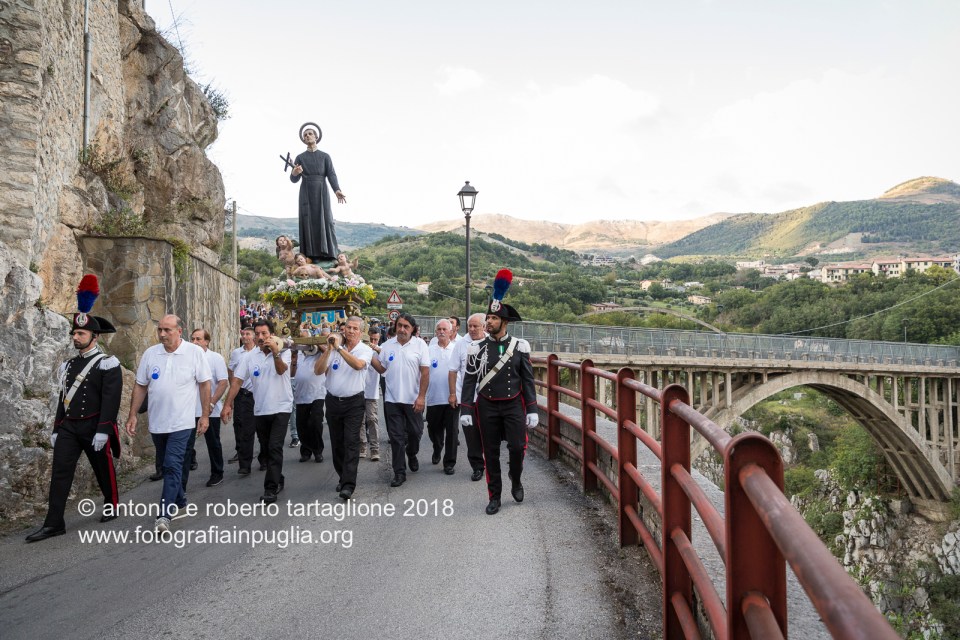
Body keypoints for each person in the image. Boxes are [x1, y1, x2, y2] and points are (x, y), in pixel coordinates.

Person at [26, 277, 123, 542]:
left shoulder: (107, 363)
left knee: (102, 468)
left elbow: (111, 400)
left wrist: (104, 430)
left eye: (80, 334)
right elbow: (63, 399)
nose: (75, 337)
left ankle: (112, 503)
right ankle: (54, 523)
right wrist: (57, 427)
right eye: (74, 333)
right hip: (70, 426)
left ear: (94, 336)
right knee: (60, 472)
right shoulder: (68, 365)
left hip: (94, 425)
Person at [460, 270, 538, 515]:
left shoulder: (519, 347)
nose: (489, 322)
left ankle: (516, 478)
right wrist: (466, 409)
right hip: (487, 405)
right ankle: (494, 496)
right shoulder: (476, 349)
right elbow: (470, 380)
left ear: (504, 322)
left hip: (514, 404)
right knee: (490, 453)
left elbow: (527, 380)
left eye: (493, 318)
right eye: (488, 318)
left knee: (517, 447)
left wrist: (532, 409)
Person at [126, 315, 211, 534]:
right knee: (167, 465)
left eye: (167, 330)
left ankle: (164, 515)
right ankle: (180, 500)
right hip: (157, 423)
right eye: (160, 330)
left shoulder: (194, 352)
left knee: (173, 464)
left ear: (179, 331)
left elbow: (204, 385)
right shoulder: (150, 354)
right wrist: (133, 414)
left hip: (182, 423)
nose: (162, 334)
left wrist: (204, 416)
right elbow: (141, 385)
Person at [222, 319, 293, 504]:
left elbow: (282, 370)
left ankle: (270, 489)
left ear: (272, 334)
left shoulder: (284, 351)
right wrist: (227, 404)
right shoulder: (250, 357)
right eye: (258, 334)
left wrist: (275, 352)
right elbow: (237, 381)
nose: (260, 337)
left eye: (264, 333)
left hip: (281, 407)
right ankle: (278, 478)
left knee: (275, 447)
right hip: (260, 409)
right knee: (267, 449)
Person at [315, 316, 373, 500]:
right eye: (348, 327)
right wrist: (328, 350)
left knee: (351, 442)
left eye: (355, 328)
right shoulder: (333, 349)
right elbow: (318, 370)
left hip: (354, 403)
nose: (351, 331)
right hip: (333, 401)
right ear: (344, 329)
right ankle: (342, 476)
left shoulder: (365, 350)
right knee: (337, 442)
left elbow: (358, 365)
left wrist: (339, 349)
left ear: (361, 332)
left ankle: (348, 484)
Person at [371, 313, 429, 488]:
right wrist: (369, 357)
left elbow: (425, 372)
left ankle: (411, 453)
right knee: (396, 437)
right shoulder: (387, 346)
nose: (402, 329)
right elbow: (382, 369)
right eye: (400, 325)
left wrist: (421, 397)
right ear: (395, 326)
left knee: (415, 432)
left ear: (413, 329)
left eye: (406, 326)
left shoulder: (420, 345)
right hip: (392, 400)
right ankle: (399, 472)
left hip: (413, 400)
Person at [289, 125, 346, 262]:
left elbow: (331, 174)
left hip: (322, 190)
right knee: (307, 219)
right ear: (303, 140)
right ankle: (310, 255)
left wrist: (337, 190)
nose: (307, 136)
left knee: (326, 219)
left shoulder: (325, 156)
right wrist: (294, 172)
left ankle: (329, 254)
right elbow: (294, 179)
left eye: (310, 133)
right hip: (306, 191)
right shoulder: (300, 157)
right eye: (305, 135)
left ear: (316, 136)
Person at [448, 312, 488, 482]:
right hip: (468, 398)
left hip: (488, 398)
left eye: (475, 326)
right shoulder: (461, 344)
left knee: (489, 433)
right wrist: (452, 394)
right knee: (471, 434)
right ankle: (477, 466)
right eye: (469, 326)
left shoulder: (492, 342)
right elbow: (452, 371)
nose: (471, 329)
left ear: (484, 327)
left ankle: (490, 462)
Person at [188, 329, 229, 488]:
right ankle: (184, 474)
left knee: (213, 443)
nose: (195, 342)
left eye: (198, 339)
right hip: (189, 409)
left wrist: (211, 403)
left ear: (207, 341)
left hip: (210, 410)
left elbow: (223, 382)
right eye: (192, 339)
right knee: (186, 444)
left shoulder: (215, 358)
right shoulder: (187, 358)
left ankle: (217, 473)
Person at [426, 319, 459, 474]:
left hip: (452, 398)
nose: (441, 332)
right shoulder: (429, 350)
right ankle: (437, 446)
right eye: (439, 329)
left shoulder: (456, 350)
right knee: (433, 428)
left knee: (452, 431)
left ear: (451, 332)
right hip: (433, 397)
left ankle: (449, 463)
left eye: (444, 329)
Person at [292, 329, 326, 463]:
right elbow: (292, 373)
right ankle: (306, 451)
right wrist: (294, 358)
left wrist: (316, 343)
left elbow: (328, 352)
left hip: (317, 393)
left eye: (306, 339)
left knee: (316, 423)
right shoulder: (299, 354)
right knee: (302, 425)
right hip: (301, 395)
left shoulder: (319, 353)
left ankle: (318, 451)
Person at [360, 325, 382, 461]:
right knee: (360, 421)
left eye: (376, 340)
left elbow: (387, 360)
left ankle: (375, 449)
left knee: (372, 420)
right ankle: (362, 446)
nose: (373, 342)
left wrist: (375, 348)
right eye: (371, 339)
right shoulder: (361, 349)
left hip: (372, 393)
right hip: (358, 391)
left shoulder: (380, 351)